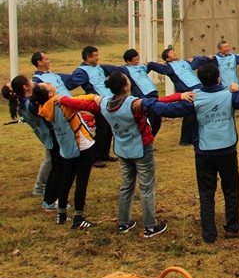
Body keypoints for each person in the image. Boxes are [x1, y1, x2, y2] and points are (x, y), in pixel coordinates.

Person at [142, 63, 239, 243]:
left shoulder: (194, 98)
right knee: (231, 190)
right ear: (219, 78)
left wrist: (143, 102)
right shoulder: (229, 96)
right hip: (226, 150)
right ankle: (232, 227)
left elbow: (167, 109)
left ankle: (209, 233)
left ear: (200, 79)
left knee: (206, 193)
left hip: (204, 151)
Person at [98, 72, 192, 237]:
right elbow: (157, 103)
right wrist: (179, 96)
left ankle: (123, 223)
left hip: (122, 149)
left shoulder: (104, 102)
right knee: (146, 187)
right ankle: (150, 225)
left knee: (126, 185)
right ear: (124, 86)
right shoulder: (134, 103)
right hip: (141, 148)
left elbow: (89, 102)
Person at [31, 83, 98, 229]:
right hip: (82, 144)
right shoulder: (60, 104)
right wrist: (94, 97)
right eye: (48, 85)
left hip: (66, 147)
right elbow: (79, 101)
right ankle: (78, 218)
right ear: (49, 94)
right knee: (81, 182)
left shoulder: (44, 107)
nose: (50, 84)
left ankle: (61, 215)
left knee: (66, 180)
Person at [5, 77, 61, 211]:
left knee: (56, 168)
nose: (32, 81)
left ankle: (49, 199)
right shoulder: (32, 104)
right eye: (28, 81)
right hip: (52, 136)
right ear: (25, 87)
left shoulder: (23, 103)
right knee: (58, 169)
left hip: (48, 137)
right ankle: (50, 201)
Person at [67, 46, 123, 168]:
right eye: (96, 55)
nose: (98, 57)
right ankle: (95, 157)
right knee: (102, 129)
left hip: (109, 100)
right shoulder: (81, 71)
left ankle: (104, 153)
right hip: (98, 103)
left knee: (109, 128)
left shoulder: (99, 68)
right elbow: (71, 83)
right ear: (88, 57)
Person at [118, 49, 165, 137]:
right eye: (135, 60)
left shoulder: (140, 67)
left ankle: (150, 140)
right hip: (142, 97)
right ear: (128, 61)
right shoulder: (125, 70)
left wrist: (159, 64)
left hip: (153, 95)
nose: (137, 62)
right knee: (148, 121)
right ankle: (144, 143)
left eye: (138, 59)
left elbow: (149, 65)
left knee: (157, 122)